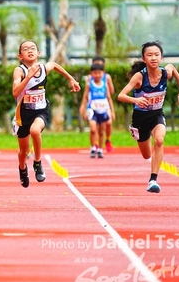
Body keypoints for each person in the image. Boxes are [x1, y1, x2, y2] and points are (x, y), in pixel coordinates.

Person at [118, 41, 179, 193]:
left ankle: (153, 180)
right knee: (146, 155)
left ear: (161, 58)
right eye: (149, 55)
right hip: (140, 118)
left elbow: (172, 68)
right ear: (144, 59)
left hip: (156, 114)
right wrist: (136, 100)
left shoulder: (165, 73)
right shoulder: (139, 77)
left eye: (157, 55)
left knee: (160, 140)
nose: (154, 58)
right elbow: (121, 95)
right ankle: (147, 145)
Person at [12, 40, 80, 188]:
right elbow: (15, 92)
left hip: (41, 110)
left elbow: (54, 65)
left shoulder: (43, 68)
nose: (30, 51)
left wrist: (71, 78)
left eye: (33, 48)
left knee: (35, 131)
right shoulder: (20, 71)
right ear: (20, 56)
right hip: (23, 114)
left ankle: (37, 163)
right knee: (23, 151)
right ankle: (22, 169)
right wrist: (28, 77)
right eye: (25, 49)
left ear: (38, 53)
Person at [79, 63, 115, 159]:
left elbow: (109, 98)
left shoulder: (105, 85)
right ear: (91, 73)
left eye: (99, 73)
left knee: (101, 131)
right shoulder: (89, 84)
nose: (97, 75)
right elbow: (85, 96)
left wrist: (112, 111)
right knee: (93, 129)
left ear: (103, 73)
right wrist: (83, 108)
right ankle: (93, 147)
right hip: (92, 109)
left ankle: (100, 149)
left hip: (103, 109)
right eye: (95, 73)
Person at [92, 56, 116, 152]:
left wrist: (105, 86)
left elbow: (112, 91)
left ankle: (108, 140)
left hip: (105, 103)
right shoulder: (91, 77)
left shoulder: (107, 77)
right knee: (96, 126)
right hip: (95, 105)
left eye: (100, 64)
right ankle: (96, 143)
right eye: (96, 64)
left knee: (108, 123)